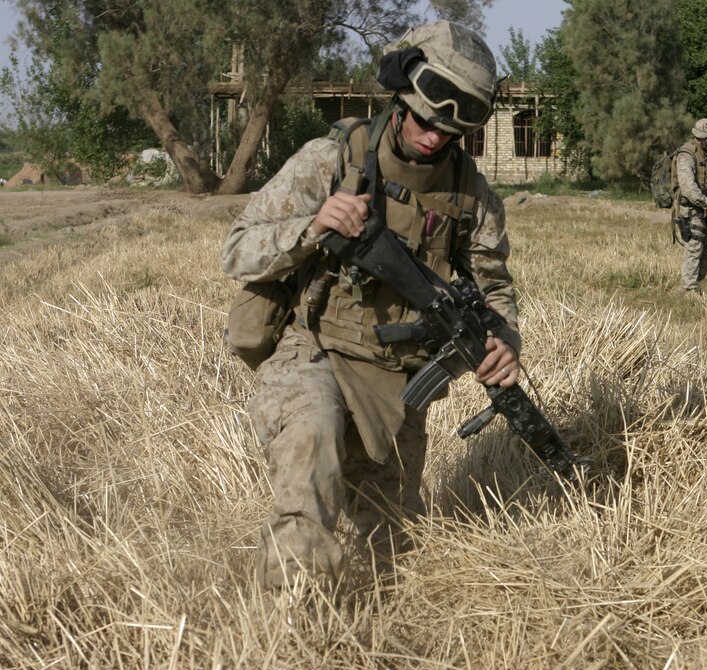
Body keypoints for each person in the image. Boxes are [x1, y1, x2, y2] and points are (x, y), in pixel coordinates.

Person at [220, 21, 521, 590]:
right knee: (313, 443)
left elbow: (494, 287)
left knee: (391, 546)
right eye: (427, 119)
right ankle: (287, 623)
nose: (433, 137)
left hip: (397, 378)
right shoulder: (331, 158)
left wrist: (505, 338)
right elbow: (237, 251)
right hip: (314, 348)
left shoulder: (472, 198)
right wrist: (312, 226)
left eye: (451, 128)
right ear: (403, 92)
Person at [672, 116, 707, 294]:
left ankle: (694, 283)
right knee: (694, 247)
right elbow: (688, 187)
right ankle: (689, 288)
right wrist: (705, 202)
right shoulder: (686, 154)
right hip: (690, 208)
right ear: (702, 137)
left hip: (704, 208)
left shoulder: (704, 155)